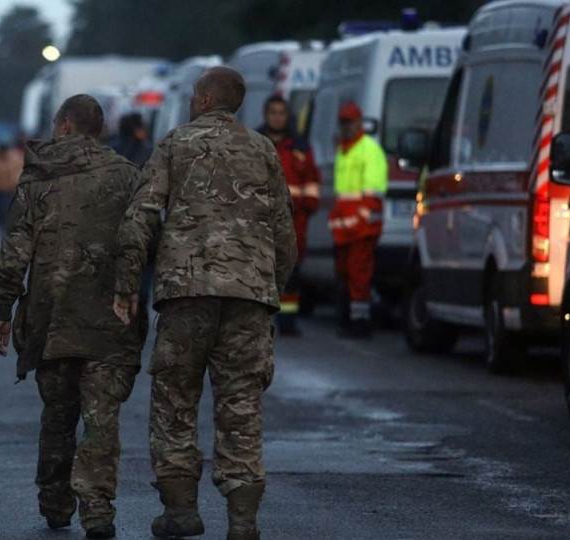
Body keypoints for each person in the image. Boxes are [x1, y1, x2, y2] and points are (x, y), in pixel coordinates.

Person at [113, 67, 296, 540]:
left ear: (208, 97)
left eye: (196, 94)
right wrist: (267, 287)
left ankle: (180, 512)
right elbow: (284, 232)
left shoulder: (175, 144)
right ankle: (242, 520)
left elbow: (141, 217)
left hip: (185, 293)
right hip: (248, 297)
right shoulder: (262, 150)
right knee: (241, 403)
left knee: (175, 398)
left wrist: (127, 285)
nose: (193, 100)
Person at [0, 95, 146, 540]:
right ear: (97, 129)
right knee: (102, 418)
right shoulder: (128, 176)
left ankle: (55, 501)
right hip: (111, 321)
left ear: (62, 126)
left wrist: (0, 309)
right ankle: (97, 509)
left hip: (51, 318)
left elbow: (16, 250)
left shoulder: (38, 178)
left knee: (58, 413)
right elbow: (145, 241)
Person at [257, 96, 321, 336]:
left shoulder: (301, 147)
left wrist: (308, 206)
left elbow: (311, 182)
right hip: (258, 220)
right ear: (266, 114)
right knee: (260, 271)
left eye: (281, 112)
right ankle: (260, 320)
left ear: (287, 116)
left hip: (294, 222)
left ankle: (289, 321)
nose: (277, 117)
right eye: (272, 112)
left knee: (291, 273)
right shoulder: (254, 142)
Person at [328, 101, 388, 338]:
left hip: (361, 227)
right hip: (346, 227)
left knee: (358, 274)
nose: (346, 126)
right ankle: (352, 318)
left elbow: (372, 194)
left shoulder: (368, 150)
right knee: (346, 273)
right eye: (343, 122)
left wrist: (359, 220)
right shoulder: (345, 150)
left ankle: (361, 322)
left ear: (360, 122)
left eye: (350, 122)